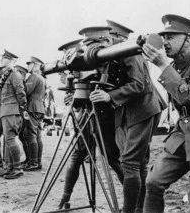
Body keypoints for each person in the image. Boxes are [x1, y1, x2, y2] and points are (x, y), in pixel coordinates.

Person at [142, 14, 190, 213]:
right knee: (153, 183)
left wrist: (162, 65)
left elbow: (188, 96)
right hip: (184, 133)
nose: (164, 42)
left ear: (188, 39)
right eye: (163, 37)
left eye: (170, 37)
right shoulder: (176, 65)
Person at [87, 20, 166, 213]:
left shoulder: (129, 52)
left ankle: (129, 210)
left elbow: (139, 85)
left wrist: (109, 96)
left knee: (130, 162)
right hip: (130, 110)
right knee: (138, 164)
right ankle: (140, 207)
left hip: (143, 110)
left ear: (113, 38)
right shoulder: (114, 55)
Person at [57, 25, 130, 210]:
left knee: (113, 159)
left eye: (93, 44)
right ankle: (65, 199)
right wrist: (74, 98)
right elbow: (80, 95)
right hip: (87, 115)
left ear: (105, 42)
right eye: (87, 44)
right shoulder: (84, 64)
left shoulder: (116, 60)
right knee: (76, 157)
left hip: (105, 116)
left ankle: (133, 202)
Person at [0, 49, 27, 179]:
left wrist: (22, 107)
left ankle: (17, 168)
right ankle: (9, 167)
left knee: (10, 139)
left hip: (12, 110)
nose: (2, 60)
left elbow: (20, 93)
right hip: (6, 110)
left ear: (11, 61)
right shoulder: (6, 74)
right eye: (2, 58)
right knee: (7, 139)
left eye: (5, 58)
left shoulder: (14, 74)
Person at [22, 56, 46, 171]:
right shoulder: (42, 78)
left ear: (36, 65)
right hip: (39, 108)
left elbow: (26, 91)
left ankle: (33, 162)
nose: (28, 66)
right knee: (37, 135)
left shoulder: (34, 77)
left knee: (31, 135)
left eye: (30, 64)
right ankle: (36, 161)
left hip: (32, 107)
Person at [13, 62, 29, 168]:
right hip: (21, 112)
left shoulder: (22, 83)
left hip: (21, 112)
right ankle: (28, 159)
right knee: (22, 136)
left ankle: (28, 159)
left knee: (23, 136)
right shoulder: (23, 82)